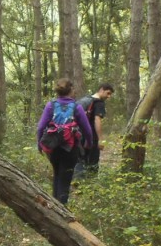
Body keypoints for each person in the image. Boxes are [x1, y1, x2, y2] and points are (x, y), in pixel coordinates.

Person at [36, 77, 93, 205]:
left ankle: (53, 206)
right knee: (65, 178)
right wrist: (89, 143)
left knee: (57, 175)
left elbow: (40, 127)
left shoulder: (51, 105)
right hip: (70, 148)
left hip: (53, 147)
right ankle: (61, 209)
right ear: (71, 90)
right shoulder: (76, 107)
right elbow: (87, 129)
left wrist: (39, 144)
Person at [76, 82, 114, 176]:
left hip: (77, 135)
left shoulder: (85, 99)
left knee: (79, 160)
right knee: (93, 162)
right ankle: (91, 184)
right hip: (91, 137)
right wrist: (100, 139)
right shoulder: (99, 103)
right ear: (101, 90)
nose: (109, 96)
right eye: (108, 93)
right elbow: (97, 120)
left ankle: (78, 183)